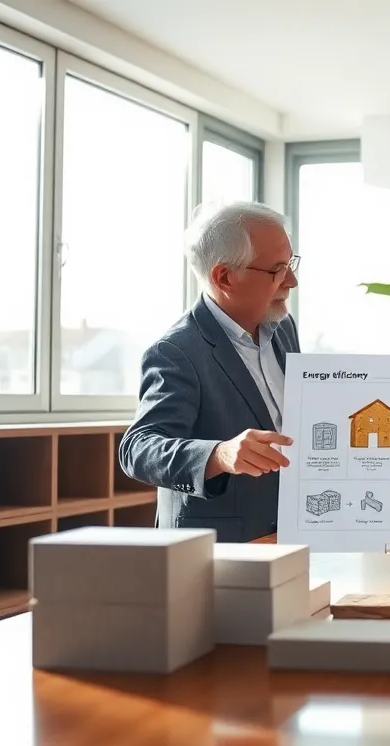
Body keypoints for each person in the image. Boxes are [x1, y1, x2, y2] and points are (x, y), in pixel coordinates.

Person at [118, 201, 301, 543]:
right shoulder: (176, 351)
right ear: (224, 277)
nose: (292, 281)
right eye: (277, 270)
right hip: (215, 547)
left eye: (291, 264)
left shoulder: (283, 327)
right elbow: (138, 448)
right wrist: (219, 454)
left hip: (282, 538)